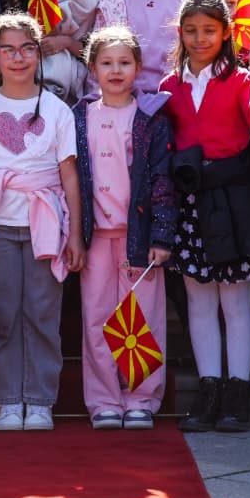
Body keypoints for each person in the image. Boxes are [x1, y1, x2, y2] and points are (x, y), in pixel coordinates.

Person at [161, 0, 250, 434]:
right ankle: (208, 389)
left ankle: (238, 392)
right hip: (192, 199)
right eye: (191, 31)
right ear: (180, 33)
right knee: (198, 300)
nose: (200, 39)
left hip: (235, 197)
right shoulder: (168, 86)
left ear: (227, 32)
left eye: (209, 31)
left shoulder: (241, 77)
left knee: (235, 299)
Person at [0, 13, 83, 432]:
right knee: (3, 314)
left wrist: (76, 234)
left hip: (44, 225)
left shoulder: (56, 110)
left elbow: (69, 175)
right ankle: (8, 401)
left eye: (27, 49)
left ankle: (39, 400)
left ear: (39, 54)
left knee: (41, 313)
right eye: (9, 50)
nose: (18, 58)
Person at [74, 27, 175, 430]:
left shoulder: (150, 117)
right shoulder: (79, 116)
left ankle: (141, 398)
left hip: (139, 238)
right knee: (97, 318)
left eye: (124, 62)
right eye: (106, 63)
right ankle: (104, 400)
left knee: (141, 318)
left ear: (138, 67)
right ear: (92, 69)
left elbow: (163, 178)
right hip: (96, 238)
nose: (115, 70)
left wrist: (161, 235)